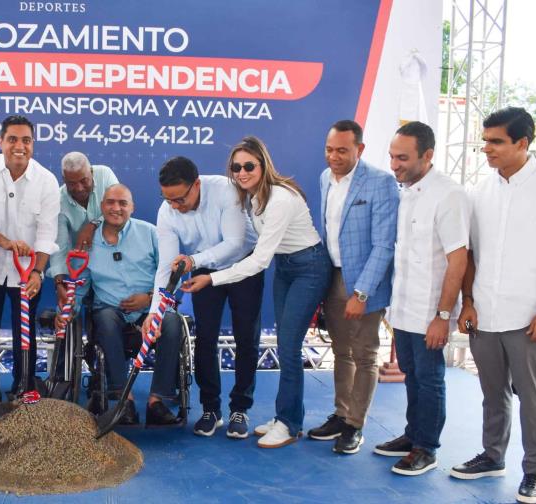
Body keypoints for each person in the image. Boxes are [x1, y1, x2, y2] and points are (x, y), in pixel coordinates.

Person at [182, 137, 331, 447]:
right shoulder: (252, 198)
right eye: (236, 168)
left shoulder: (279, 199)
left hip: (308, 267)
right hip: (286, 268)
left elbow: (260, 260)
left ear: (264, 165)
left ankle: (289, 424)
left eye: (249, 166)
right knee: (286, 344)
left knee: (288, 346)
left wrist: (212, 278)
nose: (242, 173)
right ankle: (284, 415)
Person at [453, 107, 536, 504]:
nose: (486, 148)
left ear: (522, 143)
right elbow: (470, 254)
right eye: (485, 141)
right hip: (484, 314)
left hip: (530, 317)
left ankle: (534, 472)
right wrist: (467, 302)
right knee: (492, 392)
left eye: (495, 141)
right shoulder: (480, 191)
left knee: (533, 399)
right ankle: (492, 456)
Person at [377, 122, 468, 476]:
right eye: (391, 156)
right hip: (403, 308)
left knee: (429, 379)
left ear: (427, 155)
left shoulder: (449, 195)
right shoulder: (405, 192)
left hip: (432, 311)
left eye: (402, 158)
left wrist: (443, 316)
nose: (394, 165)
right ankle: (412, 435)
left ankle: (426, 448)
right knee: (412, 376)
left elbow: (457, 260)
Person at [152, 156, 259, 438]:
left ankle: (240, 409)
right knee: (205, 338)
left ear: (197, 184)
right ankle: (211, 409)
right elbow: (166, 267)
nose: (175, 206)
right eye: (168, 199)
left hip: (244, 264)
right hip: (203, 266)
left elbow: (234, 244)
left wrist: (193, 261)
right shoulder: (167, 211)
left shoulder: (226, 190)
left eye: (180, 199)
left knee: (246, 337)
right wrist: (155, 312)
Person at [58, 184, 182, 426]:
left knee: (172, 321)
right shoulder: (88, 242)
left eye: (123, 203)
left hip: (150, 309)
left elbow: (172, 275)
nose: (116, 208)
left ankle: (157, 401)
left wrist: (149, 297)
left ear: (132, 207)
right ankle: (125, 401)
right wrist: (67, 311)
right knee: (104, 319)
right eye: (111, 202)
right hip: (110, 310)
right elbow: (81, 285)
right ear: (102, 206)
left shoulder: (150, 233)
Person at [309, 119, 399, 455]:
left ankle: (355, 425)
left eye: (342, 151)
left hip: (364, 283)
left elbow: (384, 245)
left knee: (364, 355)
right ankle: (341, 413)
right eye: (329, 150)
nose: (334, 157)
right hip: (332, 276)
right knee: (341, 351)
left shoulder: (381, 182)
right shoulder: (324, 178)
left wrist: (361, 292)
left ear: (359, 149)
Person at [0, 115, 60, 401]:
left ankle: (24, 387)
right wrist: (6, 243)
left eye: (26, 140)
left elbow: (47, 232)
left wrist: (38, 272)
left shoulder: (46, 181)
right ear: (0, 141)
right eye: (12, 139)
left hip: (27, 273)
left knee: (25, 333)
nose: (19, 146)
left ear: (33, 143)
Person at [49, 151, 118, 307]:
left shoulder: (105, 174)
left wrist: (93, 225)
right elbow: (60, 246)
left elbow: (118, 209)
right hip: (80, 262)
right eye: (72, 183)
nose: (79, 188)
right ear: (64, 180)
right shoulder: (58, 201)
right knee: (69, 307)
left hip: (113, 256)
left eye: (83, 180)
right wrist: (59, 283)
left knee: (108, 311)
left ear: (91, 172)